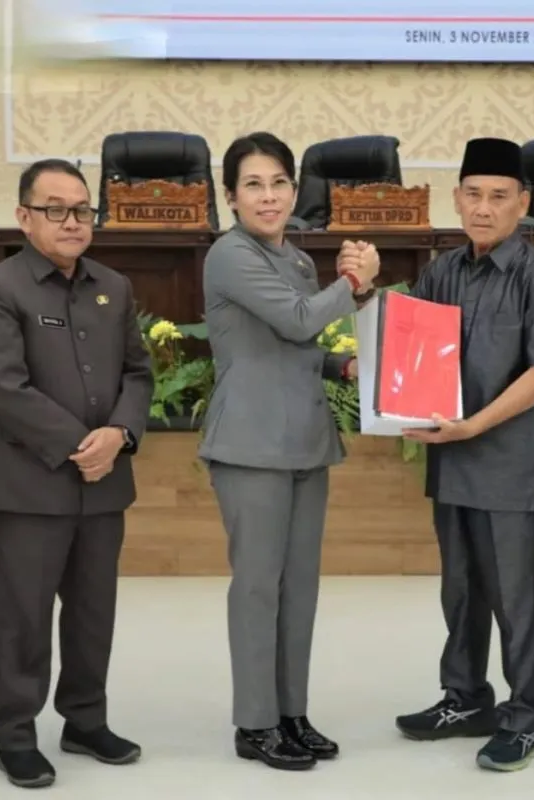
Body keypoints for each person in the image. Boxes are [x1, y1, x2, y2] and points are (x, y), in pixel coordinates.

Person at [0, 159, 153, 789]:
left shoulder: (113, 286)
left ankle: (85, 721)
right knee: (22, 617)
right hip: (29, 485)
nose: (72, 222)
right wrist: (81, 445)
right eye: (55, 210)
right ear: (24, 217)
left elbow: (137, 373)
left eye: (81, 210)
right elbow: (3, 386)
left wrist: (120, 434)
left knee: (93, 612)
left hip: (103, 483)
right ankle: (16, 735)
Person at [386, 137, 534, 773]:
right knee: (460, 592)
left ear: (522, 202)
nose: (483, 208)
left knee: (514, 601)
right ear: (457, 199)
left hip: (508, 468)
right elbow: (409, 347)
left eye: (498, 196)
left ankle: (524, 719)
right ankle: (465, 699)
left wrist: (473, 426)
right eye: (473, 195)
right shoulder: (443, 271)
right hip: (452, 464)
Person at [200, 131, 379, 771]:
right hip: (251, 443)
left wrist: (341, 366)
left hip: (304, 438)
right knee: (257, 588)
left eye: (279, 183)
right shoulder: (229, 254)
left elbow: (296, 345)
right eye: (253, 185)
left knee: (298, 588)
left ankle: (290, 712)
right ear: (230, 196)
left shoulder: (299, 261)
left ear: (295, 189)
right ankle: (255, 722)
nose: (269, 196)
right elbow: (299, 319)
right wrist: (355, 281)